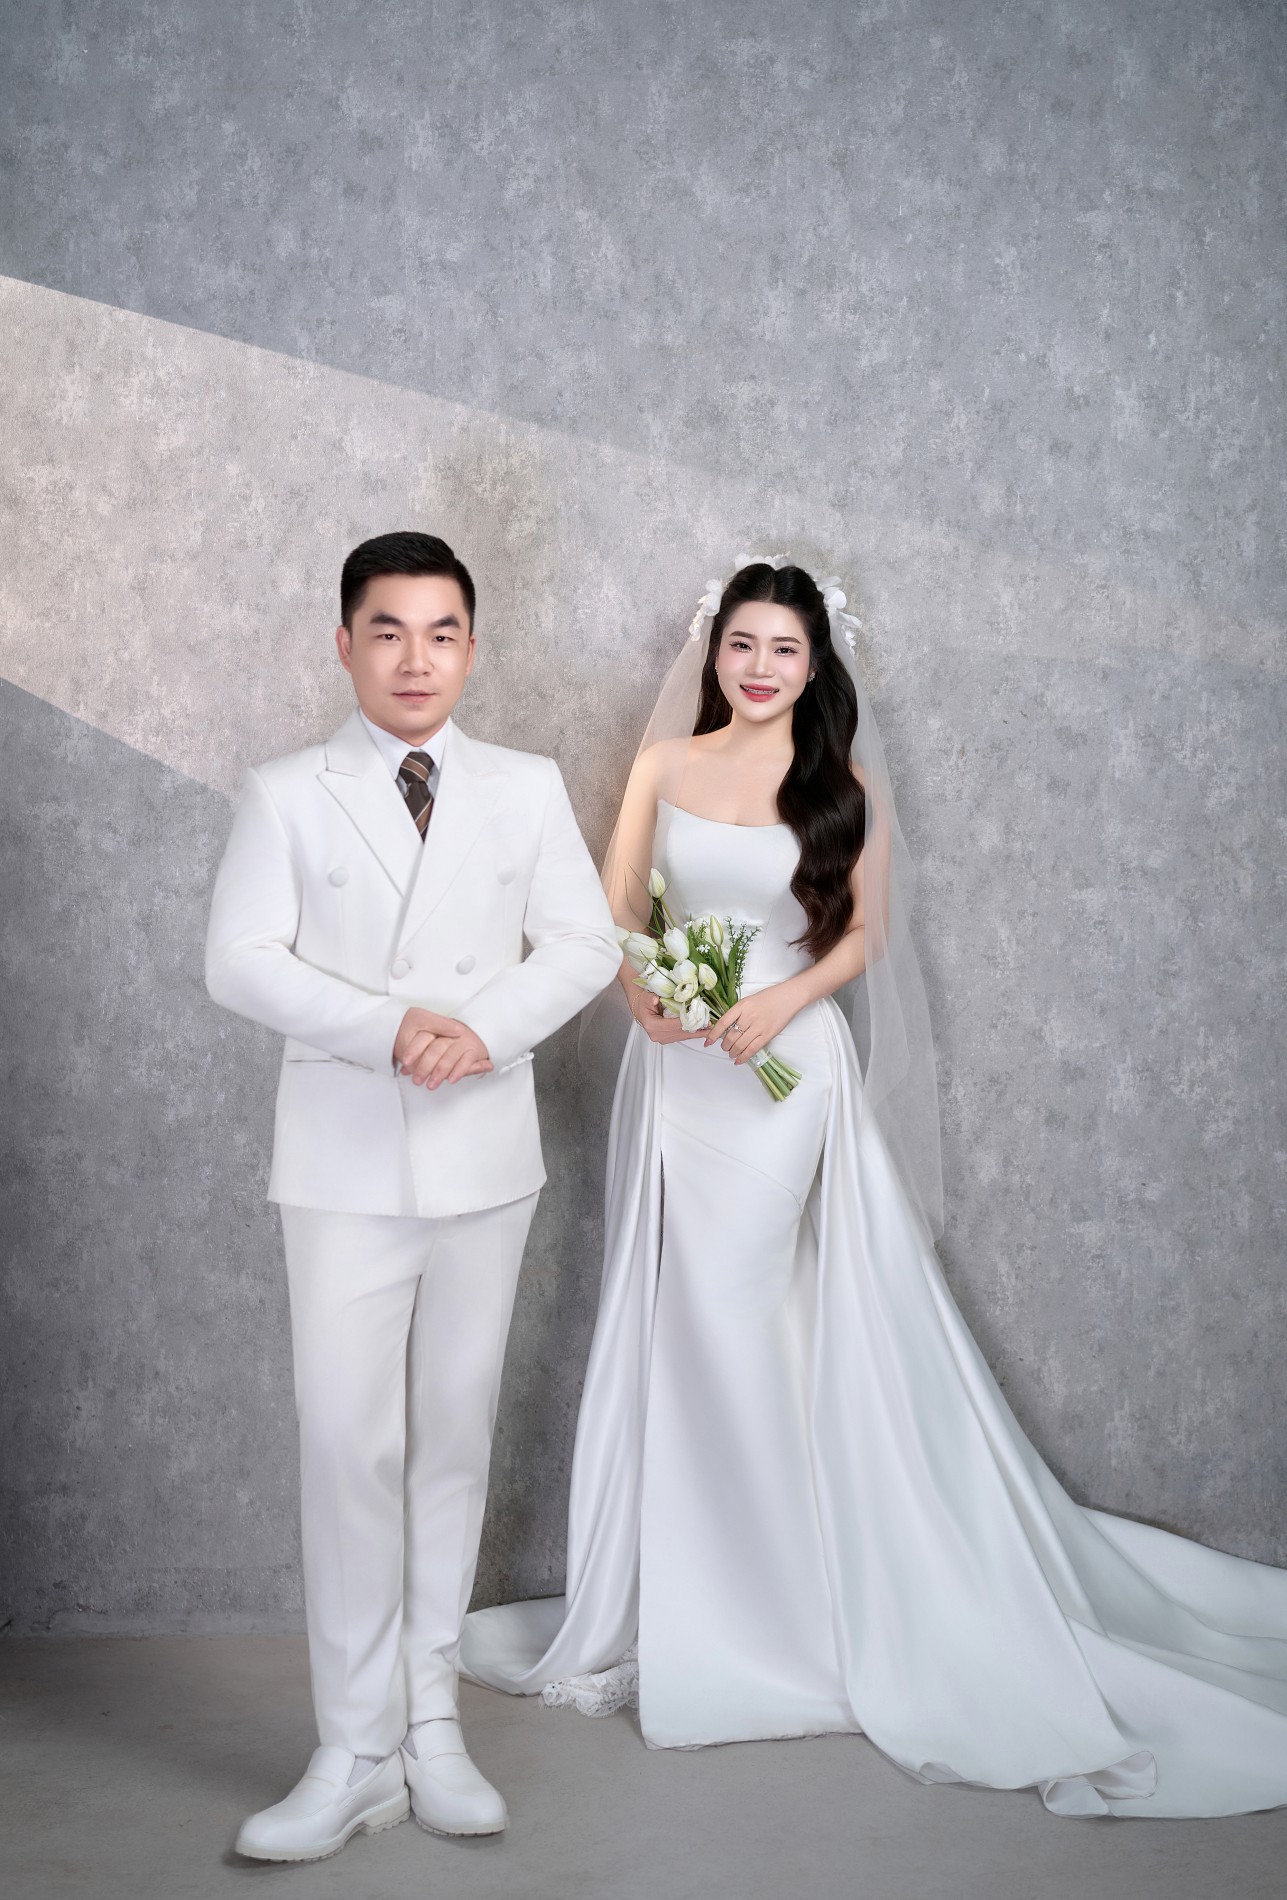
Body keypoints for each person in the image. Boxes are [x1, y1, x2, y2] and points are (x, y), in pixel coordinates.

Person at [461, 557, 1287, 1819]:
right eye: (742, 644)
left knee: (734, 1315)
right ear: (714, 651)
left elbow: (864, 934)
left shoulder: (841, 785)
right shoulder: (666, 766)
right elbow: (619, 907)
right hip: (681, 1075)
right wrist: (652, 998)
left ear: (815, 664)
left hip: (785, 1074)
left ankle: (765, 1612)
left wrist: (780, 999)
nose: (758, 668)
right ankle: (716, 1591)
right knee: (691, 1323)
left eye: (783, 649)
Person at [205, 531, 620, 1861]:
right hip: (341, 1159)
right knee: (346, 1445)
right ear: (344, 643)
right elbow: (237, 959)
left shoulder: (522, 785)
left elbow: (584, 941)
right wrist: (389, 1029)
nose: (414, 658)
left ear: (471, 648)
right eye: (387, 631)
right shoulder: (286, 790)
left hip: (482, 1155)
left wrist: (479, 1032)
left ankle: (429, 1724)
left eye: (441, 633)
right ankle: (350, 1748)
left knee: (451, 1434)